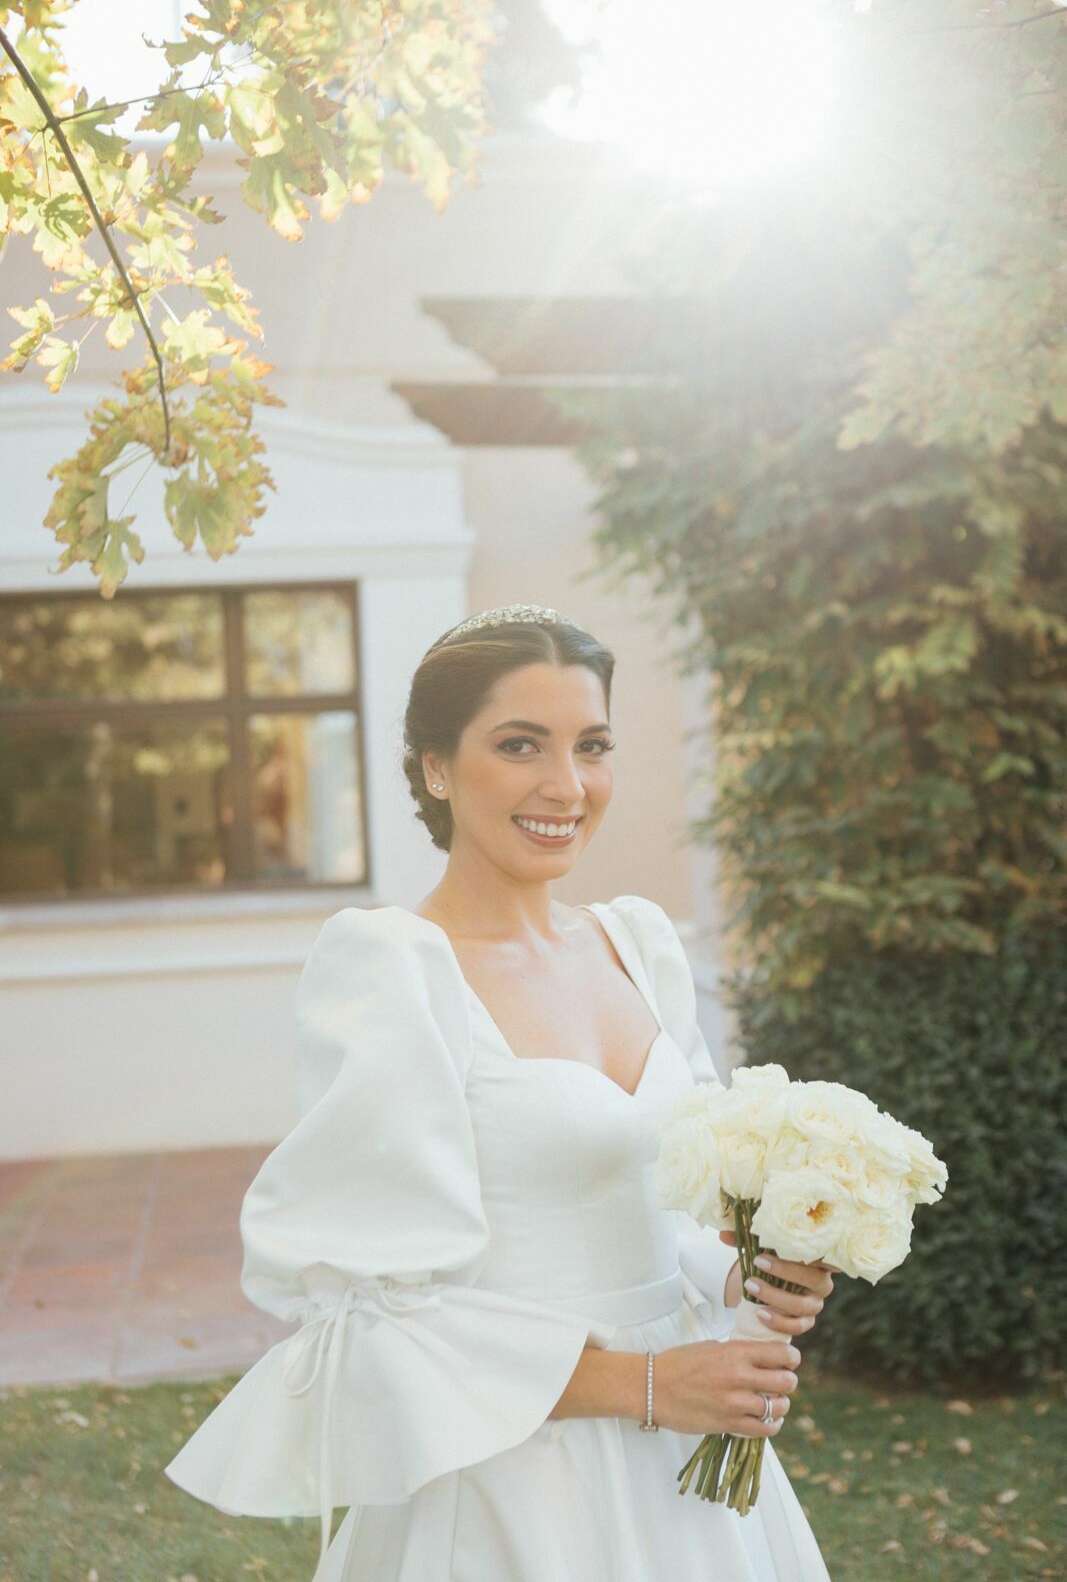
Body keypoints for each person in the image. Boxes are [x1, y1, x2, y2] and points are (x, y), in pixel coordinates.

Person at [165, 603, 834, 1581]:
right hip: (516, 1479)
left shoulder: (639, 945)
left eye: (590, 745)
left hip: (689, 1461)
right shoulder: (395, 970)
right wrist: (646, 1384)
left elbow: (678, 1199)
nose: (566, 784)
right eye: (520, 744)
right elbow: (376, 1314)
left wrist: (748, 1276)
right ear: (435, 766)